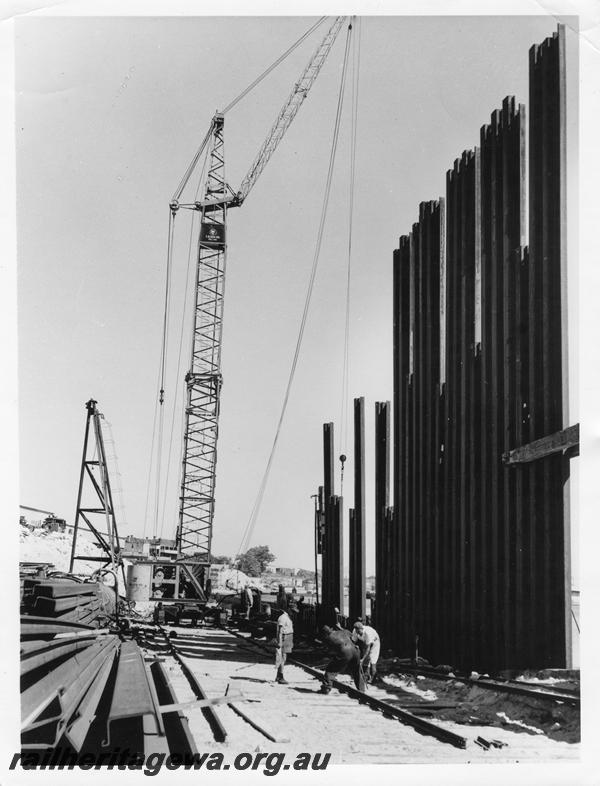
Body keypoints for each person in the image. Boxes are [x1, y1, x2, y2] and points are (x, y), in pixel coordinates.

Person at [319, 625, 365, 694]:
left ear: (325, 633)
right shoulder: (344, 631)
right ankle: (361, 690)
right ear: (332, 628)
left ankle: (326, 687)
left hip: (345, 653)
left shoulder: (329, 638)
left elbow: (330, 651)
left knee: (330, 669)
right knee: (356, 671)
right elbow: (356, 639)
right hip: (356, 651)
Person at [275, 607, 294, 684]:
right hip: (284, 637)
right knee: (282, 657)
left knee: (283, 657)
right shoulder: (283, 618)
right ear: (288, 610)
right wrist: (279, 642)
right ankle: (280, 676)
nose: (293, 613)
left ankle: (278, 676)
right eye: (292, 611)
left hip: (288, 637)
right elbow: (280, 631)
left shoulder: (287, 617)